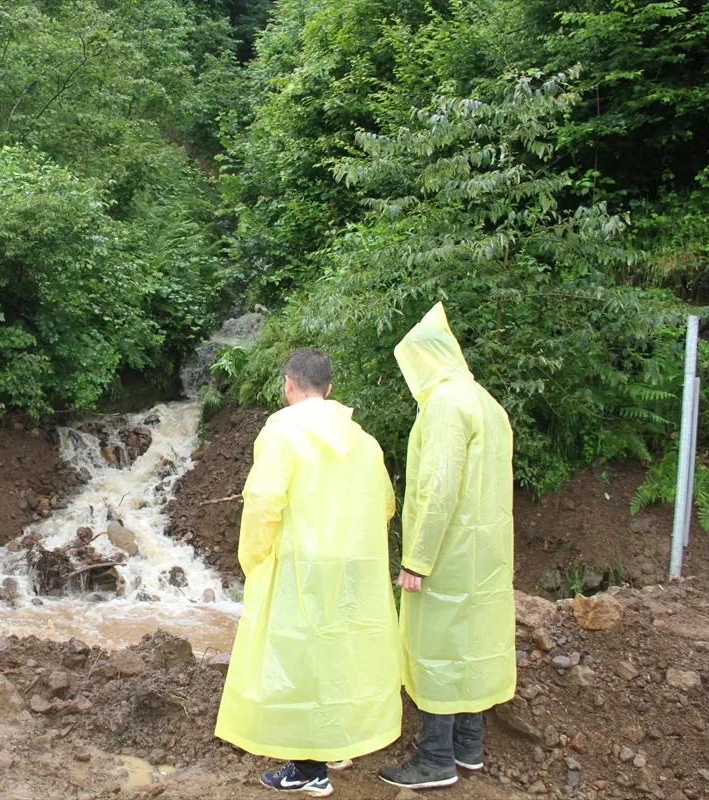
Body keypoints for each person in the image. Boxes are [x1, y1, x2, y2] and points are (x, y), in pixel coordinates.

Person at [215, 348, 402, 798]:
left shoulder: (281, 432)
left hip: (301, 564)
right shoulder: (364, 440)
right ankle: (337, 740)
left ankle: (307, 769)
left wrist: (254, 559)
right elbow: (385, 505)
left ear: (288, 385)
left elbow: (263, 501)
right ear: (330, 389)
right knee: (341, 652)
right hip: (351, 564)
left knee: (301, 658)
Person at [378, 303, 516, 790]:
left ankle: (435, 758)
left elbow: (438, 487)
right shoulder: (488, 403)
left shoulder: (443, 405)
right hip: (487, 554)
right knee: (471, 641)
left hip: (448, 553)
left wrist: (417, 558)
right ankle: (468, 744)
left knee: (435, 647)